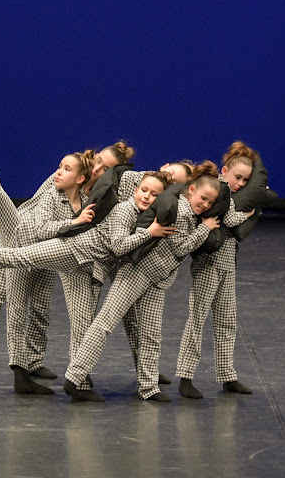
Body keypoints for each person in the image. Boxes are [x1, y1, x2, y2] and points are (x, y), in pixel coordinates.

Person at [0, 171, 176, 399]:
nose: (147, 196)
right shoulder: (125, 211)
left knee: (82, 323)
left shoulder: (144, 215)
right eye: (144, 190)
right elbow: (119, 246)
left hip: (85, 269)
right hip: (71, 252)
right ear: (135, 189)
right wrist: (149, 233)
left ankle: (80, 385)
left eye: (154, 195)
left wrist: (172, 181)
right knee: (16, 257)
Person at [0, 98, 135, 385]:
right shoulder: (65, 177)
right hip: (24, 236)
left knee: (40, 306)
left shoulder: (101, 196)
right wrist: (65, 224)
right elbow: (37, 206)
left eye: (107, 168)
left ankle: (33, 361)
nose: (100, 169)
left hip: (51, 250)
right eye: (99, 162)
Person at [62, 161, 221, 402]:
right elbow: (181, 248)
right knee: (105, 322)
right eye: (203, 198)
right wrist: (205, 229)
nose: (205, 205)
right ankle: (74, 377)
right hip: (136, 272)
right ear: (191, 190)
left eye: (210, 202)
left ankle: (148, 387)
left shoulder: (185, 211)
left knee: (151, 334)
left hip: (157, 279)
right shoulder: (178, 209)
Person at [175, 141, 257, 399]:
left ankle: (227, 375)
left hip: (228, 265)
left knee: (227, 322)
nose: (241, 183)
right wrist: (250, 213)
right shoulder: (219, 191)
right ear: (225, 171)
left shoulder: (231, 194)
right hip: (209, 265)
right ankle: (185, 377)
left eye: (245, 180)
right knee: (197, 319)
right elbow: (230, 219)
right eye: (238, 177)